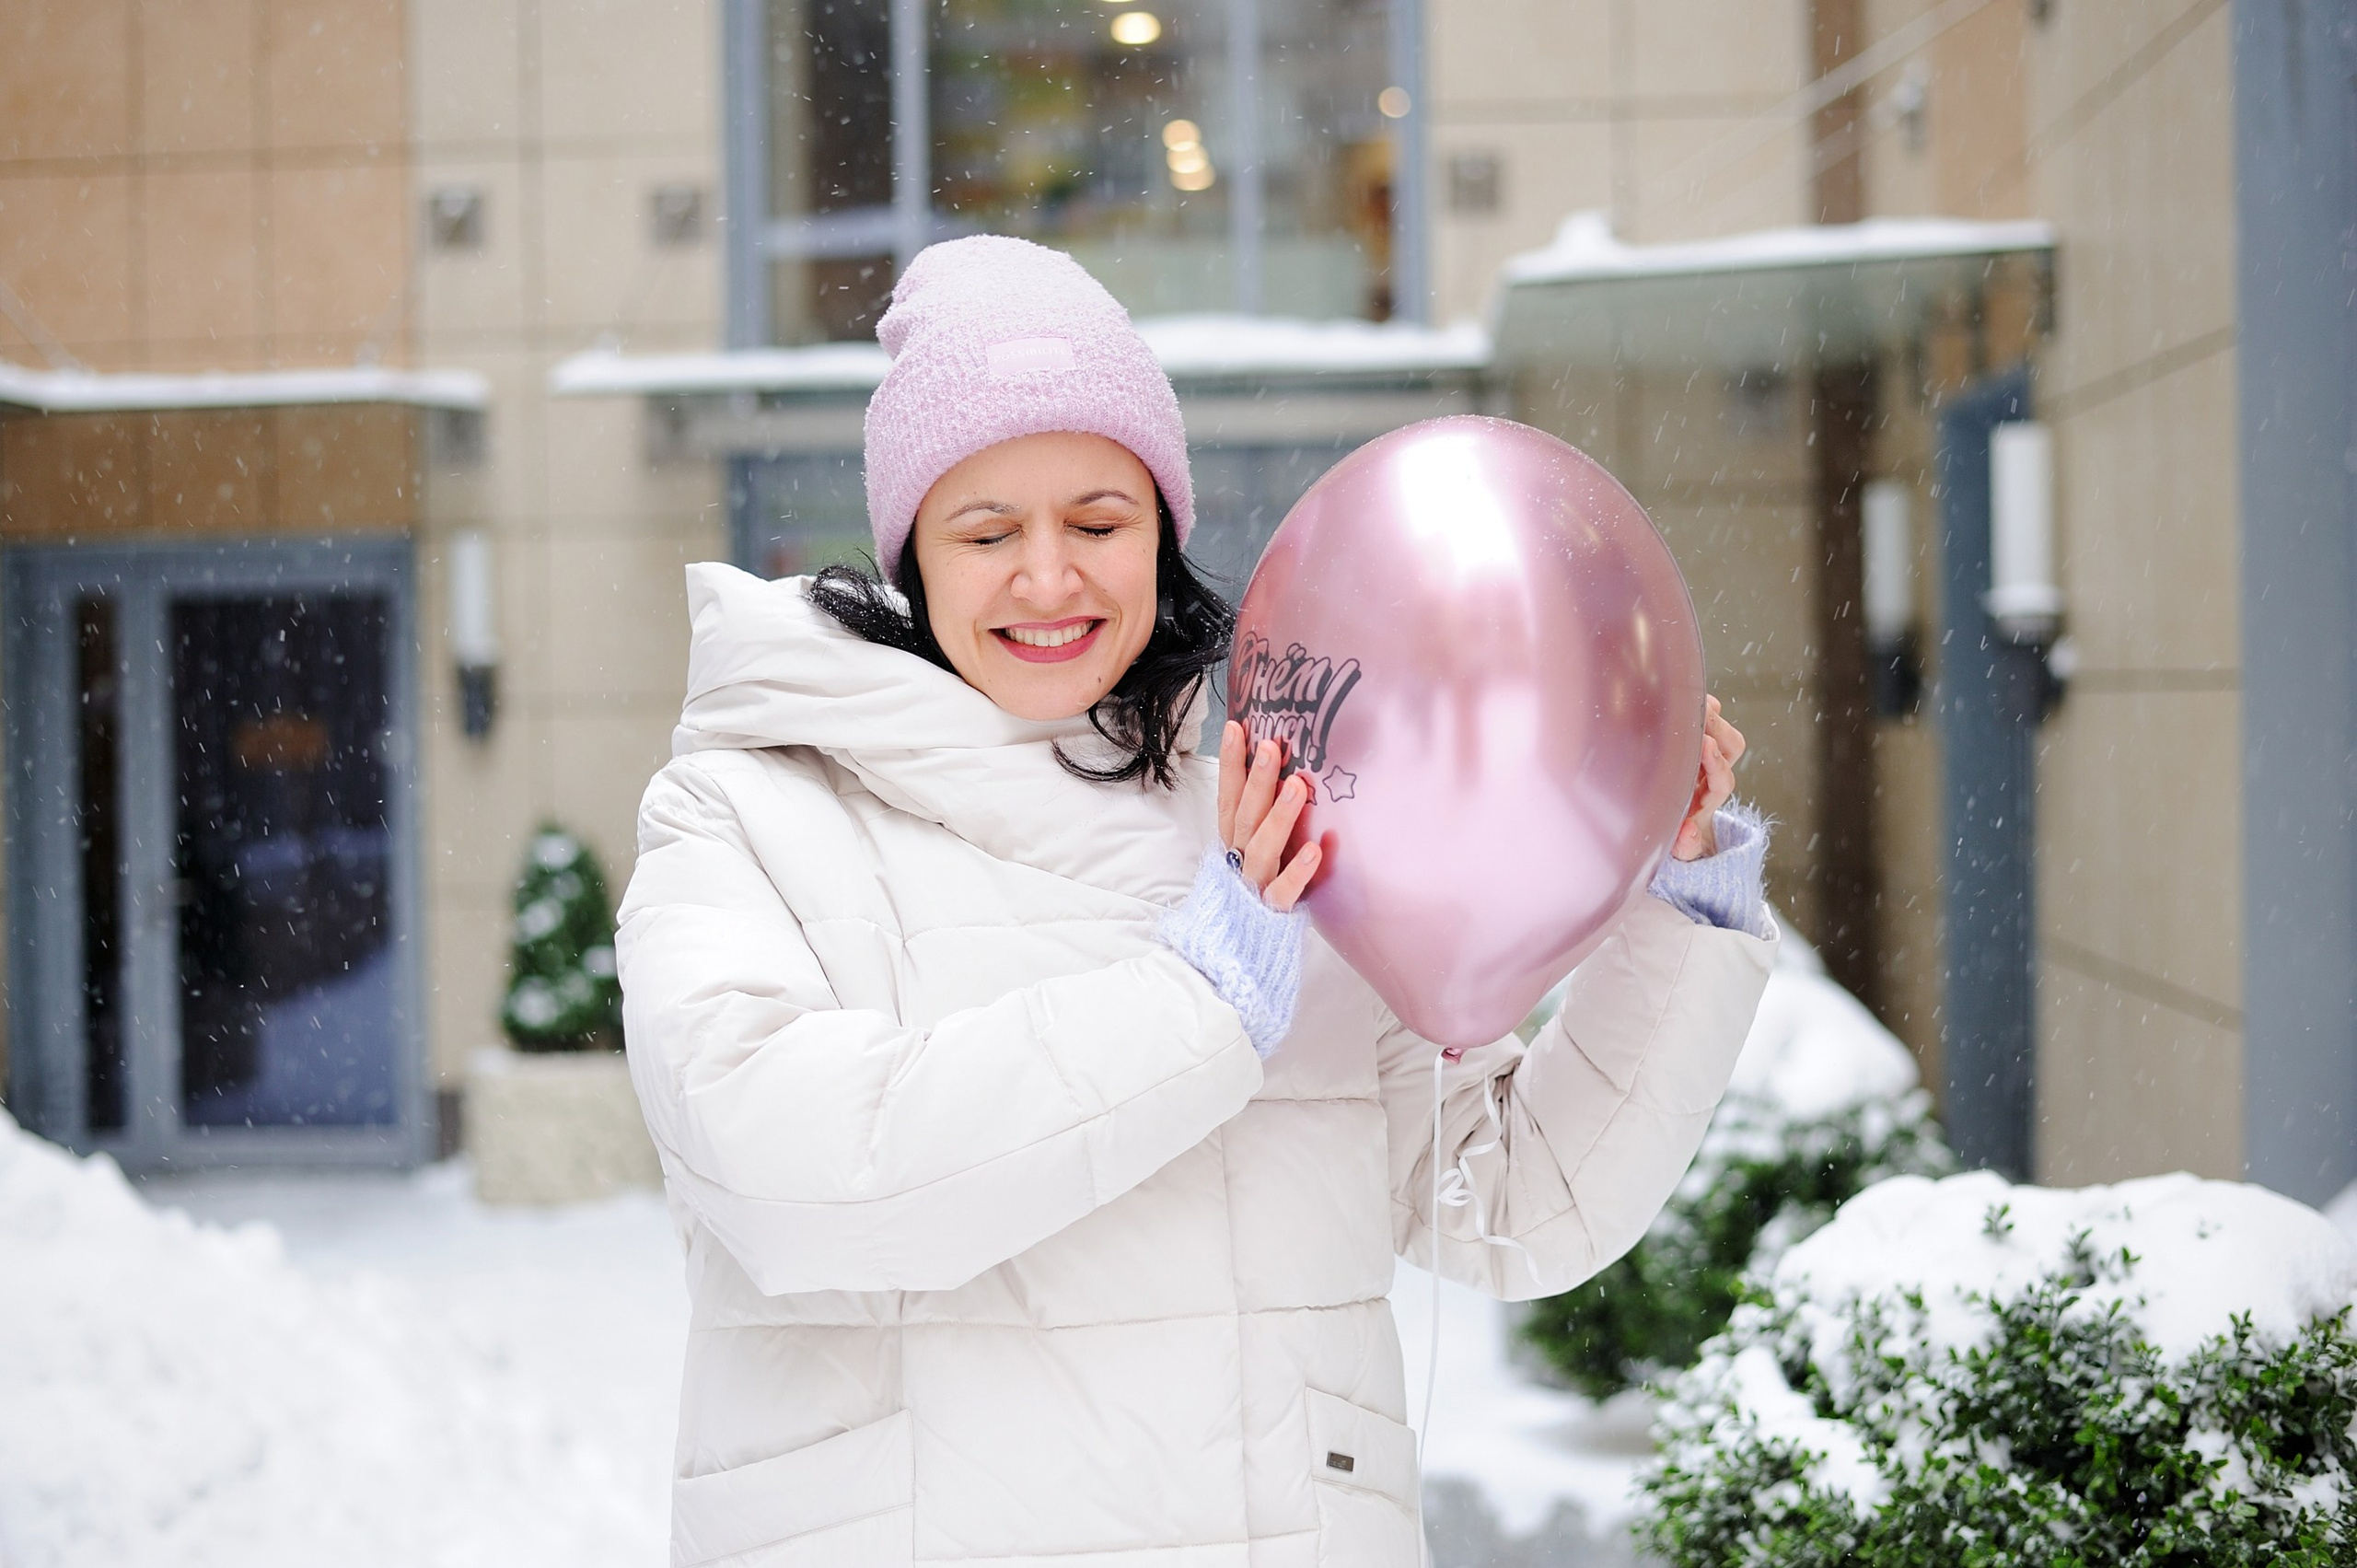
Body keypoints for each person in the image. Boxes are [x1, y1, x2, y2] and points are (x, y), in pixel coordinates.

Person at [617, 236, 1776, 1568]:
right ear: (911, 559)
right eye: (987, 533)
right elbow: (799, 1186)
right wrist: (1201, 1000)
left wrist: (1680, 898)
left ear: (1162, 539)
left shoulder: (1276, 826)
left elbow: (1516, 1201)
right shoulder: (744, 817)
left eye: (1099, 524)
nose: (1049, 579)